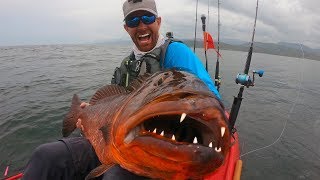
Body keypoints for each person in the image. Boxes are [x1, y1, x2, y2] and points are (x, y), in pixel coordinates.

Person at [22, 0, 221, 179]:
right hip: (111, 144)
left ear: (158, 22)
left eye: (147, 18)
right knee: (46, 156)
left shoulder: (176, 52)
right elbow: (111, 102)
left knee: (114, 177)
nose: (141, 25)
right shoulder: (127, 64)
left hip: (153, 152)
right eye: (133, 21)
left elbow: (208, 97)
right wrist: (88, 113)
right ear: (127, 28)